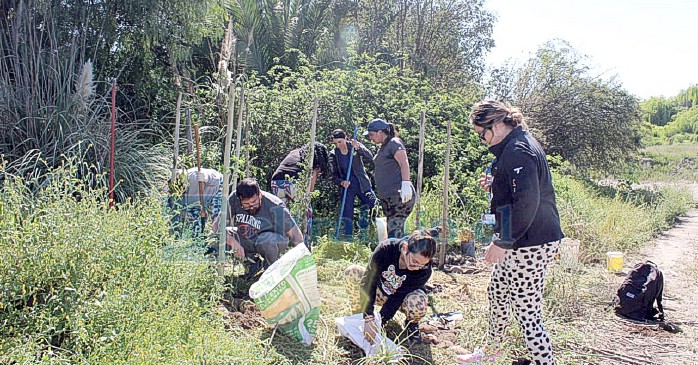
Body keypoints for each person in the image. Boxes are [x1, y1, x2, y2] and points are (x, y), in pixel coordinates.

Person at [458, 100, 564, 365]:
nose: (482, 140)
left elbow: (528, 202)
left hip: (530, 242)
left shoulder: (518, 150)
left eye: (482, 134)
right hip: (522, 239)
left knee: (526, 310)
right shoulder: (515, 145)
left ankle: (544, 361)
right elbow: (520, 188)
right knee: (497, 292)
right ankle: (492, 353)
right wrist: (497, 183)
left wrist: (502, 242)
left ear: (496, 125)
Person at [344, 230, 437, 345]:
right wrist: (368, 317)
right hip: (378, 290)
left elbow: (398, 296)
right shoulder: (386, 249)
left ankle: (411, 324)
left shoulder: (424, 271)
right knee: (353, 272)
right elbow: (369, 281)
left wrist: (379, 322)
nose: (416, 267)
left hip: (401, 300)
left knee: (418, 302)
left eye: (422, 265)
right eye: (414, 261)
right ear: (406, 248)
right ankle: (358, 313)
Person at [224, 178, 305, 276]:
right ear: (239, 199)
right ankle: (252, 263)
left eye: (254, 202)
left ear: (260, 195)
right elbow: (218, 227)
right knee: (216, 238)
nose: (251, 206)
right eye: (246, 204)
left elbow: (296, 235)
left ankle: (271, 271)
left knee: (266, 240)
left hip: (273, 240)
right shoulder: (233, 198)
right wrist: (233, 242)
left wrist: (303, 260)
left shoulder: (275, 206)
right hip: (247, 236)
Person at [363, 118, 415, 238]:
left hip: (399, 195)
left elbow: (404, 162)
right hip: (388, 197)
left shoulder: (394, 143)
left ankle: (399, 255)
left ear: (380, 132)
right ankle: (397, 255)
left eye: (371, 135)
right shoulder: (383, 146)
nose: (370, 138)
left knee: (395, 232)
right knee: (393, 231)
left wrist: (406, 184)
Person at [329, 129, 377, 239]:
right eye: (335, 143)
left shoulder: (354, 146)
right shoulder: (333, 154)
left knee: (373, 205)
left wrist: (358, 148)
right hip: (347, 188)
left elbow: (370, 157)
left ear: (346, 138)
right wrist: (341, 182)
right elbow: (332, 176)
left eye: (340, 142)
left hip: (362, 184)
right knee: (347, 214)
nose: (338, 145)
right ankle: (348, 240)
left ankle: (367, 234)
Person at [170, 167, 223, 235]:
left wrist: (205, 178)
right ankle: (198, 237)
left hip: (215, 188)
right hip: (197, 200)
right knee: (193, 222)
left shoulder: (193, 176)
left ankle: (216, 237)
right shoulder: (174, 193)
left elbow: (216, 179)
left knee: (216, 214)